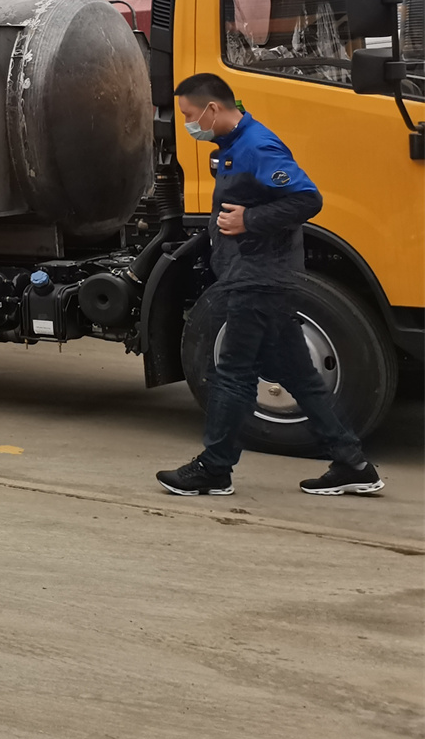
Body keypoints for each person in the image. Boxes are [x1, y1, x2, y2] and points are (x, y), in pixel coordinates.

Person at [157, 74, 382, 498]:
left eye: (189, 115)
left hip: (259, 277)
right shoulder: (232, 146)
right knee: (299, 373)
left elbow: (307, 199)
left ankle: (214, 468)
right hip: (257, 274)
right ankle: (353, 464)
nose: (188, 123)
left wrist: (249, 221)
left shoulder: (257, 146)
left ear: (213, 109)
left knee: (232, 374)